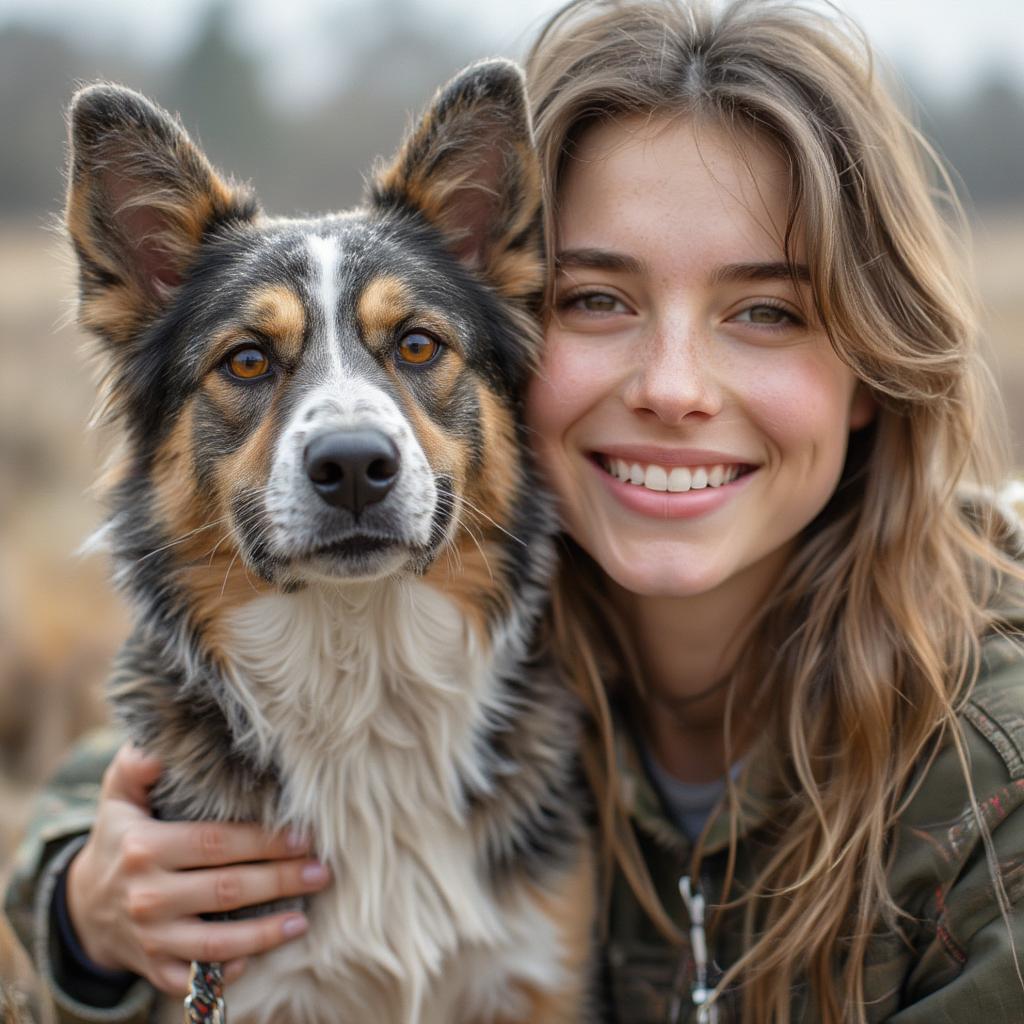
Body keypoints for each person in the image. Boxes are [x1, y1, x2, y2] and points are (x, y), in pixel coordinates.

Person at [5, 1, 1024, 1022]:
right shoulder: (552, 607)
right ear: (531, 334)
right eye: (596, 299)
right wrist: (79, 906)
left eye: (766, 310)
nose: (674, 389)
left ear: (875, 360)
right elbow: (152, 750)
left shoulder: (991, 779)